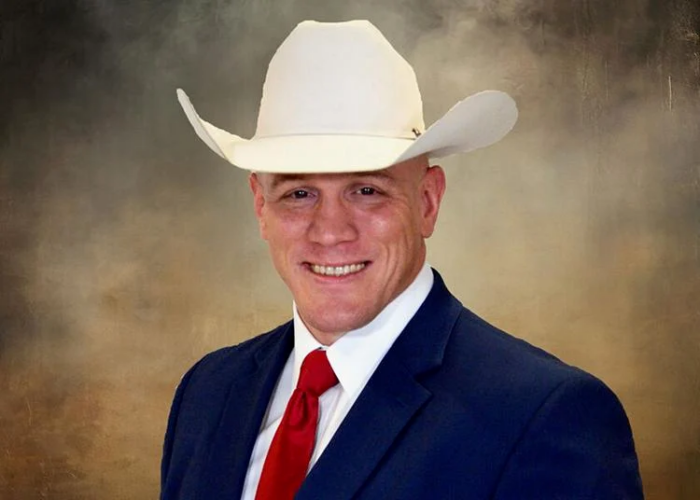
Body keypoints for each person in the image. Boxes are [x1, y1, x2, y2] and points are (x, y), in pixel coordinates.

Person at [161, 20, 644, 500]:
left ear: (428, 202)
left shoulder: (544, 415)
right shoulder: (208, 393)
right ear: (260, 208)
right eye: (299, 193)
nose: (330, 231)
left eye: (367, 191)